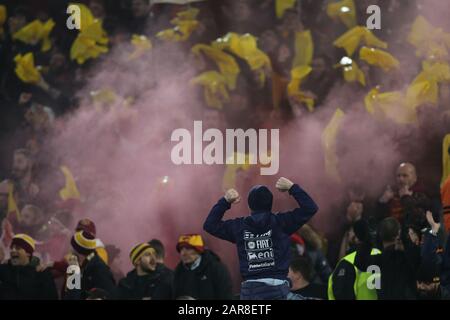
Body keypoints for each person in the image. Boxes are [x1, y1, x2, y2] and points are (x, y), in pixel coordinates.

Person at [203, 177, 318, 300]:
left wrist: (225, 201)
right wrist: (292, 187)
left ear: (249, 205)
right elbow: (310, 208)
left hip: (249, 293)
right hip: (278, 291)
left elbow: (210, 225)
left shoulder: (239, 227)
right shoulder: (281, 222)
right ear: (271, 203)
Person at [328, 219, 381, 300]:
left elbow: (341, 293)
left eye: (351, 231)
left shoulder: (349, 261)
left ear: (357, 236)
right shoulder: (381, 255)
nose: (349, 233)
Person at [173, 234, 233, 300]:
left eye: (188, 248)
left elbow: (226, 296)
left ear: (198, 250)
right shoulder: (178, 271)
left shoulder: (216, 269)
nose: (183, 253)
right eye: (181, 249)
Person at [0, 234, 58, 299]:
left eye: (18, 248)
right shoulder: (4, 270)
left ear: (28, 253)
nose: (13, 250)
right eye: (12, 248)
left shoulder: (41, 273)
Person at [63, 230, 117, 300]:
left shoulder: (98, 269)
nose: (69, 252)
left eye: (72, 249)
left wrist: (73, 274)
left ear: (78, 251)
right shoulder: (85, 265)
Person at [378, 163, 430, 228]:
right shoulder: (390, 195)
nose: (401, 179)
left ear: (414, 178)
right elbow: (379, 222)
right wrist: (382, 203)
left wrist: (406, 198)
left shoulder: (421, 196)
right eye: (398, 176)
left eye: (405, 176)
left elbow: (420, 221)